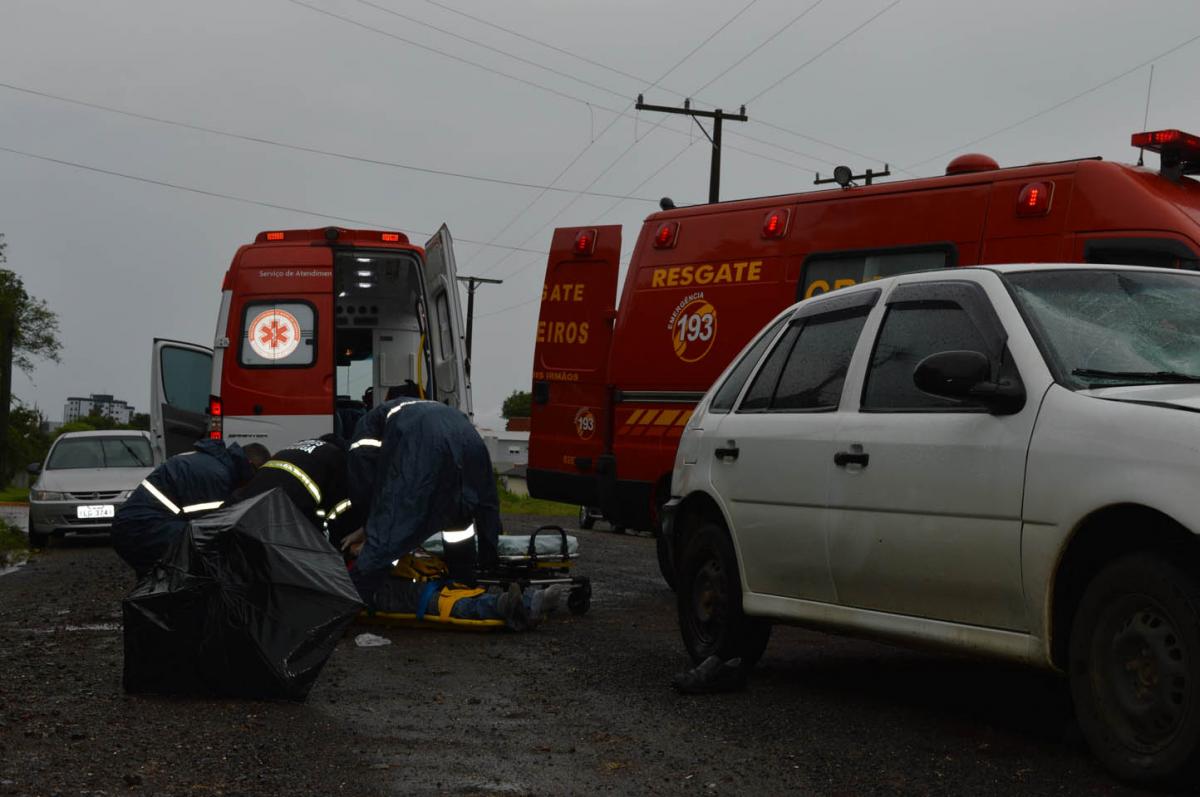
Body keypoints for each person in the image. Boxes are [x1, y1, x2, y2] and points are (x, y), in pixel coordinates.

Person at [345, 397, 502, 600]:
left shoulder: (367, 424)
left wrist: (368, 527)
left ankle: (352, 596)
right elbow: (487, 502)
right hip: (470, 439)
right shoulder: (419, 407)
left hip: (425, 442)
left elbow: (362, 472)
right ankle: (465, 581)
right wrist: (490, 551)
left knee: (391, 528)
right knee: (459, 516)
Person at [112, 440, 270, 578]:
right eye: (255, 476)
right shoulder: (216, 476)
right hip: (143, 529)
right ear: (250, 465)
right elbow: (206, 529)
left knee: (157, 579)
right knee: (196, 556)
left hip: (136, 525)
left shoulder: (212, 462)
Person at [229, 433, 362, 543]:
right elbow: (339, 507)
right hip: (286, 509)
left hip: (247, 506)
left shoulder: (296, 446)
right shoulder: (337, 455)